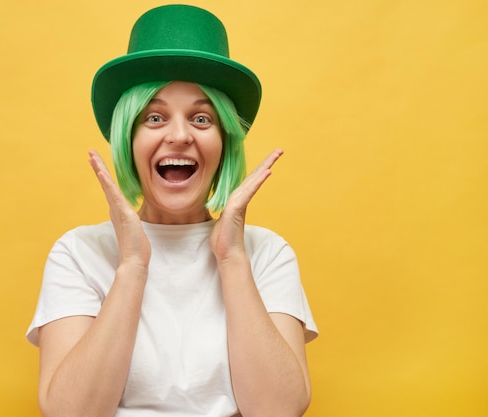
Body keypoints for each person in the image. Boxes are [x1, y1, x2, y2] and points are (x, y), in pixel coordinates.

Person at [26, 4, 318, 417]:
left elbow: (278, 410)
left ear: (224, 143)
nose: (179, 135)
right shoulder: (78, 252)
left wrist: (232, 259)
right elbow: (71, 413)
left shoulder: (268, 254)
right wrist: (132, 266)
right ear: (128, 138)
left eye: (201, 118)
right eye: (155, 117)